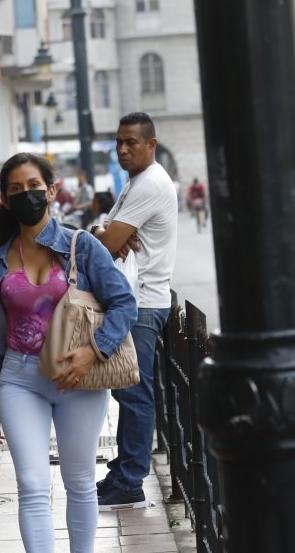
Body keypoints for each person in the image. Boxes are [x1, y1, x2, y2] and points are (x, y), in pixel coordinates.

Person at [0, 152, 136, 553]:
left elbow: (124, 303)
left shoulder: (82, 246)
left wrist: (93, 351)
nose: (26, 196)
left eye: (33, 187)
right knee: (31, 484)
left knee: (79, 482)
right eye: (15, 190)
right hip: (19, 377)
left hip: (79, 378)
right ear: (5, 201)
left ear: (51, 190)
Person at [89, 112, 179, 509]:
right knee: (127, 391)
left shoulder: (151, 184)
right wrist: (105, 236)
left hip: (143, 303)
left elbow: (106, 245)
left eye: (132, 143)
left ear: (151, 144)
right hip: (137, 300)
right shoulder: (136, 182)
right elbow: (105, 236)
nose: (123, 149)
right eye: (119, 143)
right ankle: (124, 472)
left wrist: (106, 238)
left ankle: (131, 482)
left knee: (134, 393)